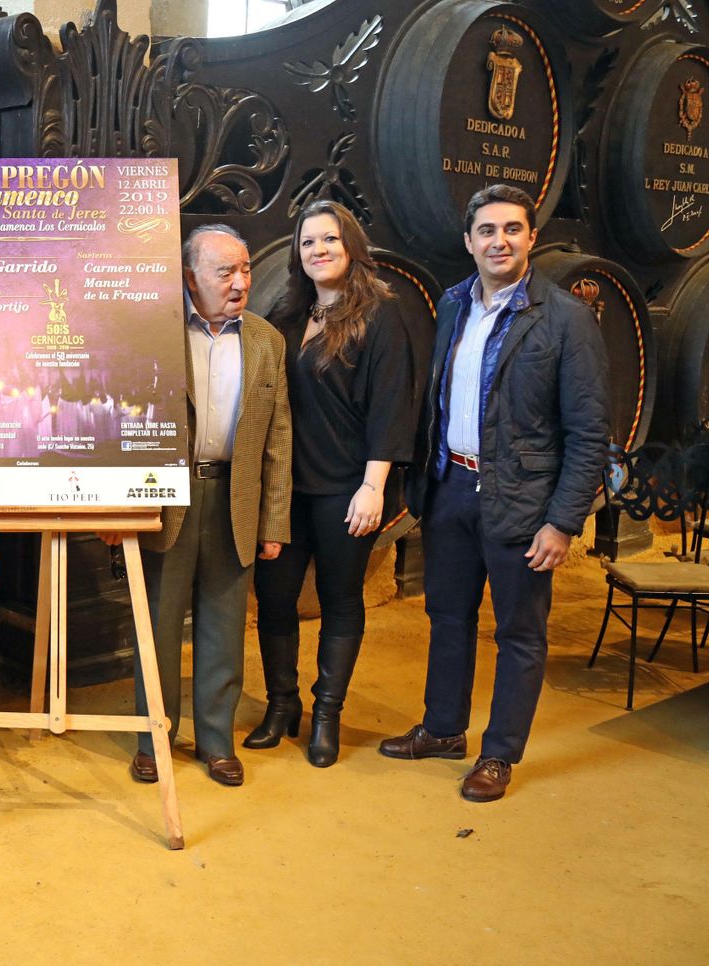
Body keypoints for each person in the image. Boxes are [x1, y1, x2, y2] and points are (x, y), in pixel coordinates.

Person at [379, 184, 607, 802]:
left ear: (532, 237)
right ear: (469, 241)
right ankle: (443, 729)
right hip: (451, 486)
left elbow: (589, 431)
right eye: (486, 230)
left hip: (524, 500)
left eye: (511, 229)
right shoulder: (454, 303)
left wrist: (562, 521)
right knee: (447, 617)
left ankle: (500, 753)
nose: (498, 241)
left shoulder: (566, 319)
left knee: (519, 634)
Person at [112, 224, 292, 788]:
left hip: (234, 499)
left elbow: (278, 438)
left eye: (245, 269)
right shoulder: (154, 333)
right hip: (166, 497)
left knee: (224, 626)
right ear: (190, 278)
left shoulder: (266, 341)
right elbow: (119, 420)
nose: (240, 282)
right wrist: (117, 511)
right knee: (158, 623)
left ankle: (217, 741)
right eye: (225, 272)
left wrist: (274, 522)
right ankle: (154, 739)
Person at [248, 200, 416, 766]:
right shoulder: (288, 312)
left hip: (348, 486)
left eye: (329, 239)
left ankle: (326, 714)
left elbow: (391, 405)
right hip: (285, 488)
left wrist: (374, 486)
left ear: (351, 246)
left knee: (340, 599)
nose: (318, 250)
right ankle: (281, 705)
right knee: (275, 598)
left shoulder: (380, 315)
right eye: (308, 242)